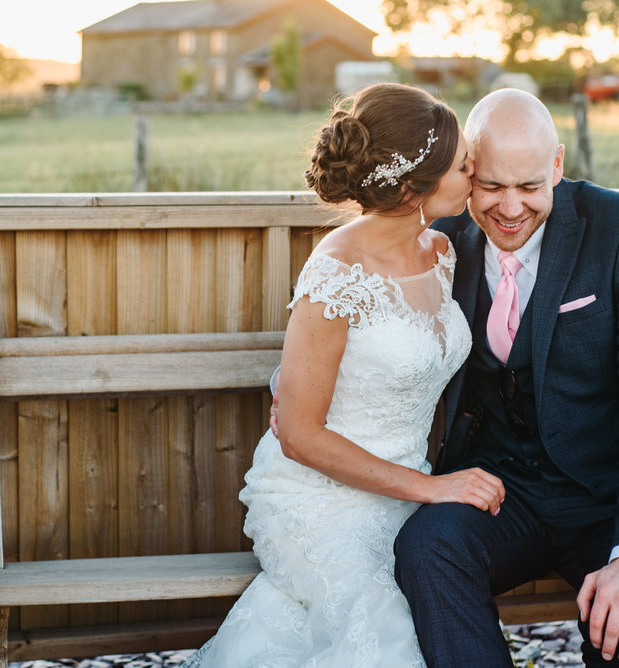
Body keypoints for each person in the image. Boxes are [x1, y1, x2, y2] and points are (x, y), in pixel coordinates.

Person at [393, 88, 619, 667]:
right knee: (427, 548)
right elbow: (361, 309)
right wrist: (296, 388)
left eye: (529, 186)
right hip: (501, 489)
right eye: (491, 186)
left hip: (612, 493)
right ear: (467, 170)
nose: (510, 208)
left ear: (558, 166)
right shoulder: (438, 238)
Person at [184, 83, 504, 667]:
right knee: (387, 634)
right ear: (413, 188)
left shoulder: (443, 252)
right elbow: (299, 433)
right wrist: (433, 488)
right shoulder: (337, 273)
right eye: (464, 166)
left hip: (406, 490)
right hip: (322, 499)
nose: (476, 174)